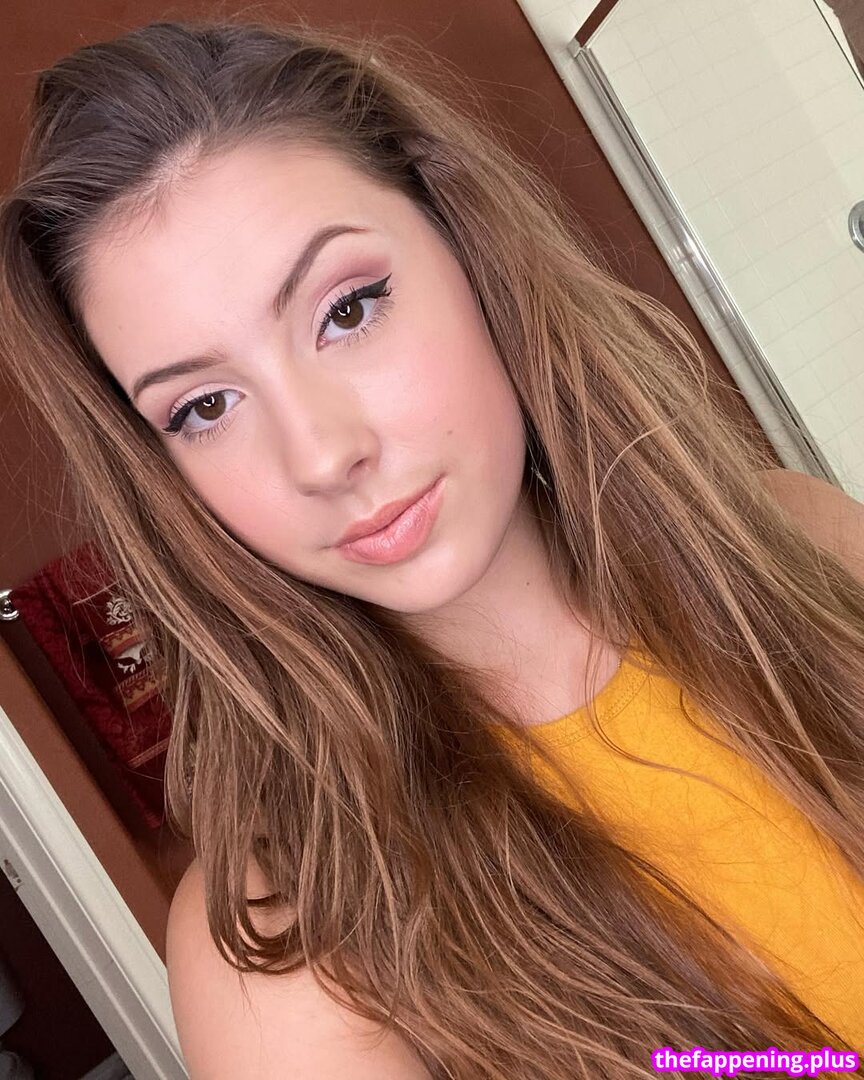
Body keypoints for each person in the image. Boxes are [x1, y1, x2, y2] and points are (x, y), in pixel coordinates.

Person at [1, 17, 863, 1079]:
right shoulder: (287, 948)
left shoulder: (804, 541)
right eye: (206, 406)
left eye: (348, 309)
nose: (323, 454)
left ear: (467, 248)